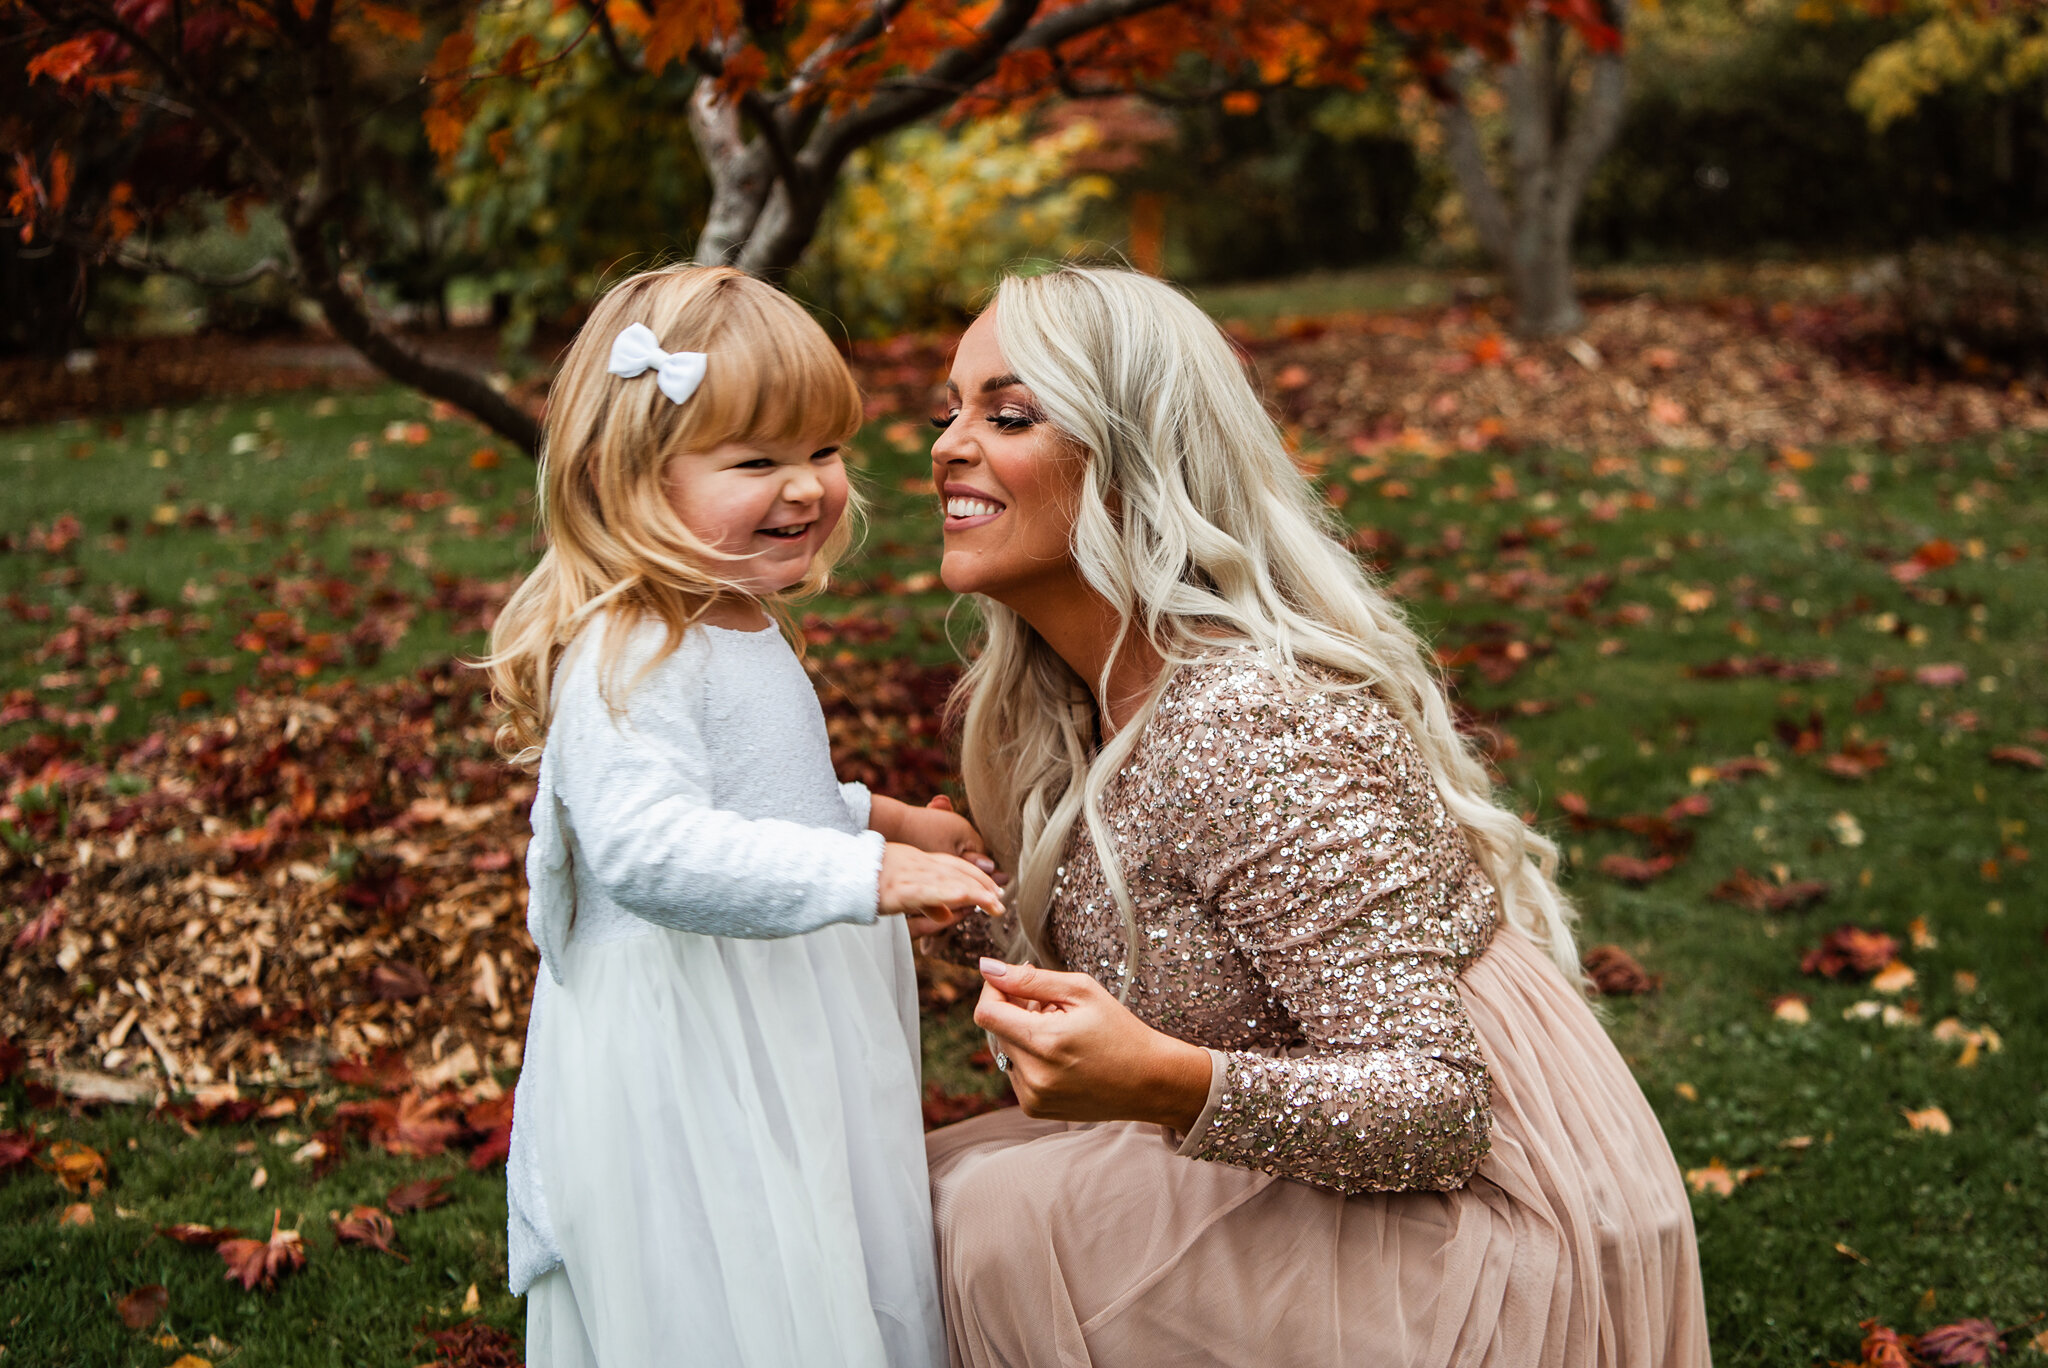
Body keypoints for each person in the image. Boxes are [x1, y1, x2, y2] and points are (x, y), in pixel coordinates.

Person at [922, 265, 1711, 1367]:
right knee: (931, 1184)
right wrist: (958, 886)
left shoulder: (1246, 725)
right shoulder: (1074, 699)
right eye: (945, 410)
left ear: (1135, 460)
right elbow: (1164, 944)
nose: (947, 444)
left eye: (1005, 414)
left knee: (994, 1229)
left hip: (1490, 1222)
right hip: (1347, 1151)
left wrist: (1159, 1079)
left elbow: (1434, 1110)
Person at [485, 265, 1004, 1368]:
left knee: (819, 1252)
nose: (808, 488)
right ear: (627, 477)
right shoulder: (632, 647)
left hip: (771, 1006)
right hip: (694, 1043)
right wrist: (866, 877)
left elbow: (753, 798)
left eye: (822, 451)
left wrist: (883, 817)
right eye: (755, 461)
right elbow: (647, 846)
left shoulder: (727, 619)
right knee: (733, 1294)